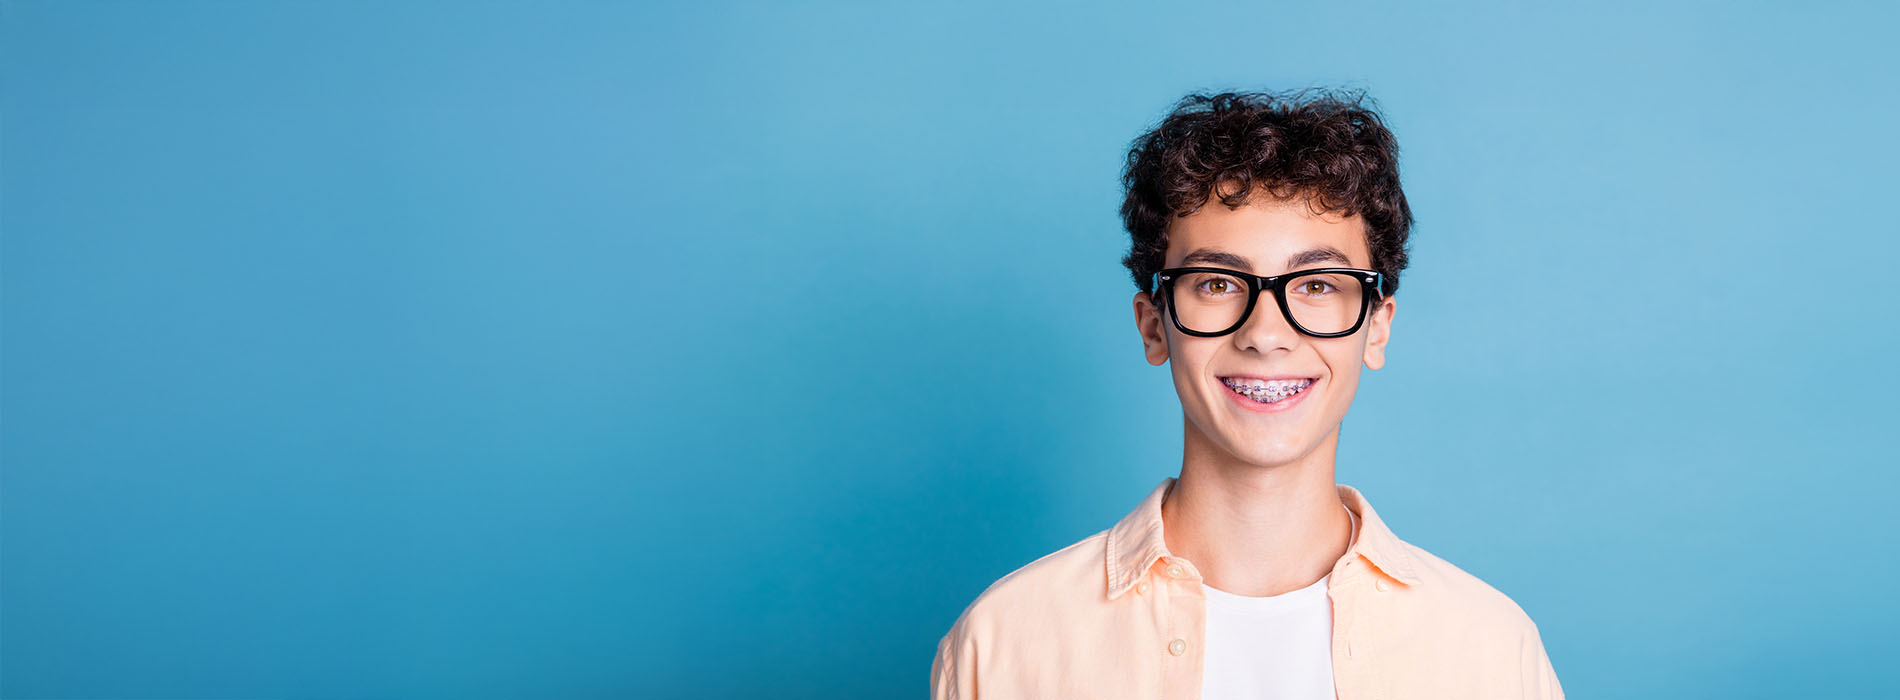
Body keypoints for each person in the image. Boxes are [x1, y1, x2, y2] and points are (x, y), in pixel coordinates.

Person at [929, 89, 1564, 700]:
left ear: (1376, 327)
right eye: (1216, 284)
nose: (1266, 334)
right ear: (1155, 325)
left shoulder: (1491, 648)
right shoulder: (1004, 641)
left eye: (1317, 285)